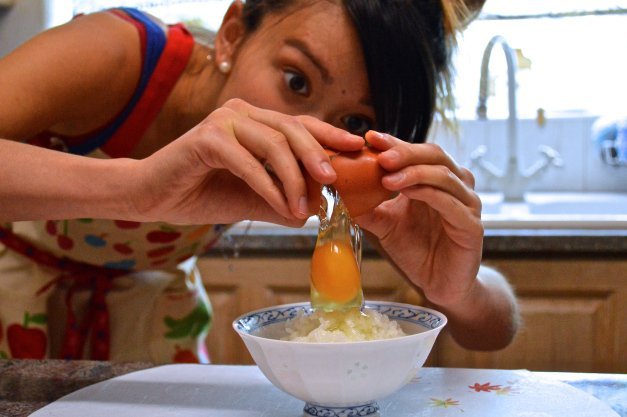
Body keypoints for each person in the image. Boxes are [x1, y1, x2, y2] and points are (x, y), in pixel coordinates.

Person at [0, 0, 519, 363]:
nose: (310, 134)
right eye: (296, 81)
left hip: (150, 324)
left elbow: (492, 332)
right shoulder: (118, 52)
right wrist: (138, 186)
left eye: (356, 123)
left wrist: (457, 289)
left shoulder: (345, 177)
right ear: (231, 33)